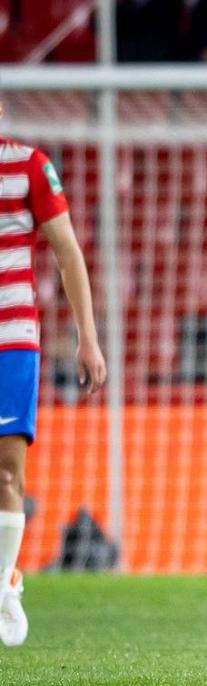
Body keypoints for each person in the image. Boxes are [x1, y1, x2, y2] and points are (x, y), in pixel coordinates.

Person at [0, 103, 108, 647]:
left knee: (7, 471)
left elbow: (67, 252)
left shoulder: (28, 166)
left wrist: (87, 337)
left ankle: (4, 584)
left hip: (11, 340)